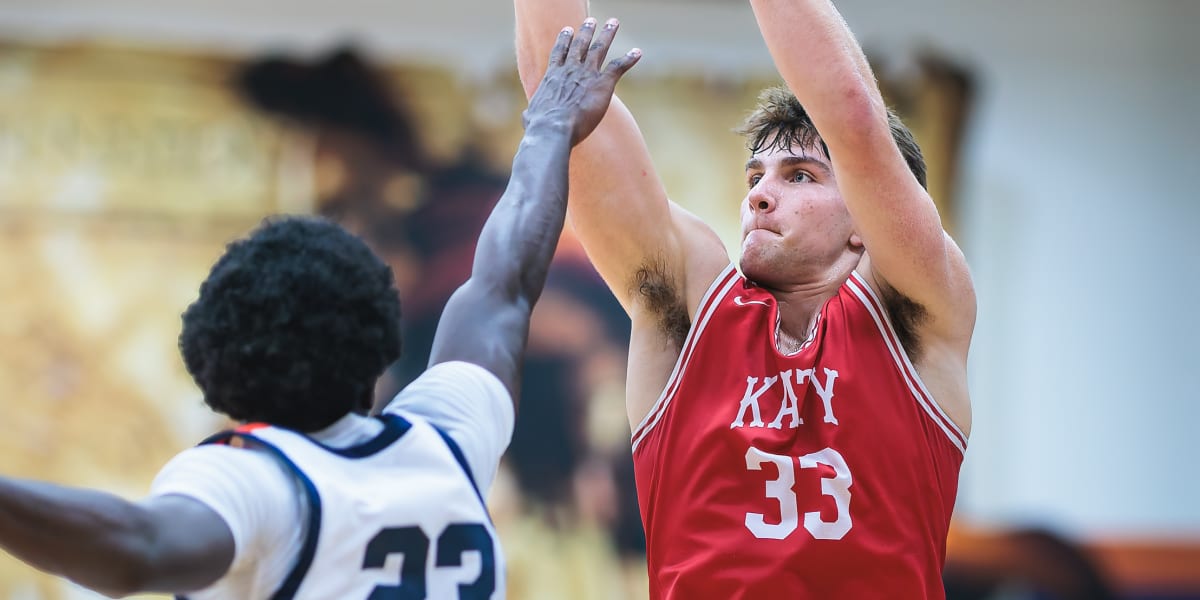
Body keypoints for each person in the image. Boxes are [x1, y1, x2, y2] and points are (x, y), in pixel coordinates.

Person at [0, 20, 640, 599]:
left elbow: (137, 550)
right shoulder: (449, 437)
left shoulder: (258, 482)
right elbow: (506, 279)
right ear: (378, 341)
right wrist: (551, 126)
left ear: (215, 368)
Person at [514, 1, 975, 598]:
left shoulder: (916, 310)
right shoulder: (691, 306)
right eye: (755, 178)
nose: (759, 196)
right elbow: (560, 91)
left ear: (868, 216)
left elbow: (854, 116)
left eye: (800, 175)